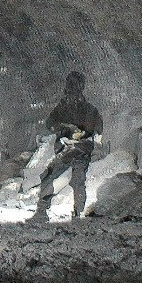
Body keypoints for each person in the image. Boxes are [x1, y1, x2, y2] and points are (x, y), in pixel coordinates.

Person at [32, 71, 103, 222]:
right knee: (78, 181)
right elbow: (96, 128)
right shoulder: (88, 108)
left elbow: (50, 124)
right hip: (81, 149)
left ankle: (41, 211)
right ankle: (78, 214)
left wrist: (65, 130)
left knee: (50, 177)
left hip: (68, 149)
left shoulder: (63, 108)